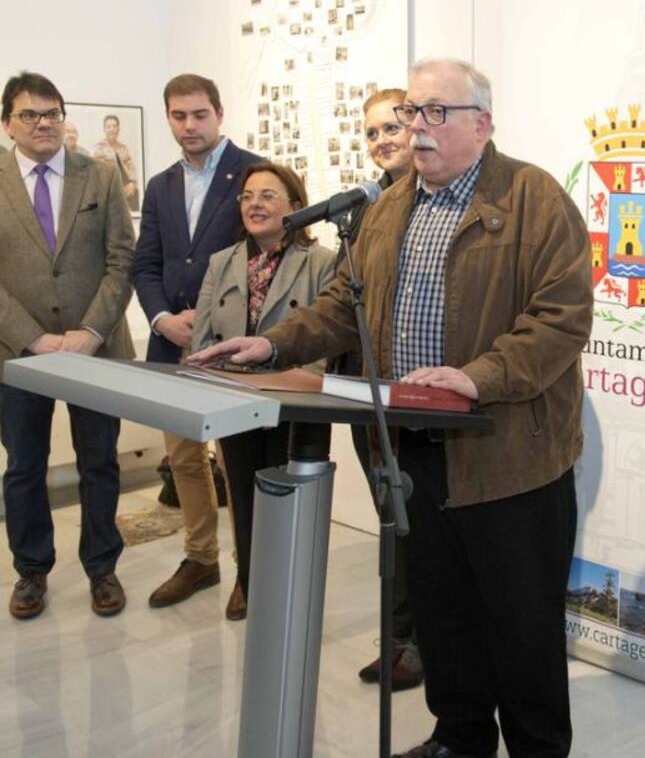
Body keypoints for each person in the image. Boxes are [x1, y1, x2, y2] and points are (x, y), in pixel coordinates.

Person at [190, 58, 592, 758]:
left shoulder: (534, 198)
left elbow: (561, 320)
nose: (419, 127)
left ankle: (536, 749)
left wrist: (477, 376)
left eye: (438, 112)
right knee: (442, 615)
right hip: (408, 449)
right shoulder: (386, 208)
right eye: (413, 111)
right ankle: (459, 738)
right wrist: (274, 343)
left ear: (482, 124)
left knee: (521, 629)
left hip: (508, 458)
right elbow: (344, 309)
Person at [0, 72, 135, 619]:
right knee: (24, 465)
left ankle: (103, 567)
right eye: (30, 114)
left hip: (95, 350)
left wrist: (90, 333)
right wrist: (33, 337)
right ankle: (32, 570)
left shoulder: (100, 175)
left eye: (52, 112)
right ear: (8, 123)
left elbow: (122, 260)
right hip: (16, 354)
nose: (43, 123)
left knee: (99, 462)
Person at [132, 73, 260, 615]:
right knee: (184, 460)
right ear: (168, 118)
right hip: (170, 346)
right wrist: (162, 318)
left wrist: (206, 324)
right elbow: (147, 263)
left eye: (198, 115)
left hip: (229, 348)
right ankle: (200, 558)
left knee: (237, 462)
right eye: (178, 116)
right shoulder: (160, 185)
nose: (189, 126)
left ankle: (249, 572)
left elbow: (263, 259)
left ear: (219, 112)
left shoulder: (253, 172)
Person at [191, 161, 336, 612]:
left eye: (268, 196)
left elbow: (327, 339)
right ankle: (250, 583)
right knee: (246, 500)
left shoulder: (323, 263)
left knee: (290, 507)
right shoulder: (222, 262)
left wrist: (289, 382)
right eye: (248, 196)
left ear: (295, 205)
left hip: (295, 406)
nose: (255, 205)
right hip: (235, 403)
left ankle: (288, 596)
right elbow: (202, 334)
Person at [332, 86, 425, 690]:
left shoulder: (434, 199)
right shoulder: (363, 210)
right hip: (364, 390)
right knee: (390, 519)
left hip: (418, 393)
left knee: (419, 523)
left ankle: (420, 644)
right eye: (371, 132)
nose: (382, 140)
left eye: (392, 126)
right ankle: (399, 640)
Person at [93, 114, 140, 212]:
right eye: (109, 127)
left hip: (125, 186)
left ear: (118, 129)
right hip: (109, 187)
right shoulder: (99, 148)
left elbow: (131, 168)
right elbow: (96, 172)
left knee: (135, 192)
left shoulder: (123, 147)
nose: (112, 129)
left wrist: (133, 183)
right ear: (104, 129)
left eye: (114, 126)